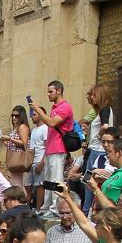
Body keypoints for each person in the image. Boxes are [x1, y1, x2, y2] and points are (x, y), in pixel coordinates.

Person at [30, 82, 74, 215]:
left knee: (56, 180)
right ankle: (46, 207)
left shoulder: (65, 107)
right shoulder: (55, 108)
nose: (48, 94)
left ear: (59, 91)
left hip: (58, 148)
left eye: (50, 91)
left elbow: (51, 122)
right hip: (50, 149)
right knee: (48, 181)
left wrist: (37, 109)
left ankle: (55, 208)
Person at [88, 137, 122, 209]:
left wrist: (95, 189)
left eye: (110, 152)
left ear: (119, 153)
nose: (107, 156)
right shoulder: (119, 172)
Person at [2, 105, 31, 188]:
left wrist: (10, 139)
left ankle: (20, 200)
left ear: (21, 116)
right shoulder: (16, 128)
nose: (14, 118)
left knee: (16, 183)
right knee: (15, 182)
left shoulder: (22, 127)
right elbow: (15, 144)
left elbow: (24, 143)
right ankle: (19, 200)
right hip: (14, 156)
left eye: (17, 116)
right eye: (12, 115)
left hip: (18, 158)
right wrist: (5, 141)